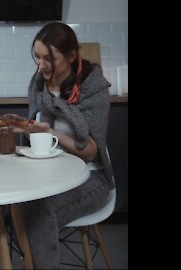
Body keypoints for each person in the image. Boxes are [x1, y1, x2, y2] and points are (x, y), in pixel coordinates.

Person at [15, 22, 115, 269]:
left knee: (37, 217)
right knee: (17, 205)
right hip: (52, 175)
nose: (41, 65)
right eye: (37, 57)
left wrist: (50, 134)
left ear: (72, 56)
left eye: (49, 58)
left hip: (91, 178)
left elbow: (91, 150)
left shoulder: (94, 88)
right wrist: (28, 129)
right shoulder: (40, 84)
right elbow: (40, 136)